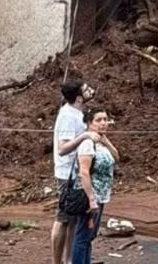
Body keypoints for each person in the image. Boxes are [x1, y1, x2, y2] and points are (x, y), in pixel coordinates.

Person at [51, 80, 98, 264]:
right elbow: (62, 148)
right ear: (79, 98)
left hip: (76, 172)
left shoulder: (76, 111)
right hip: (66, 174)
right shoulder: (67, 116)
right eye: (86, 89)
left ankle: (69, 259)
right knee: (62, 218)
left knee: (73, 218)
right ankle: (57, 261)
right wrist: (84, 136)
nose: (90, 90)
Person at [70, 107, 118, 264]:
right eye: (98, 120)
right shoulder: (87, 144)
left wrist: (107, 142)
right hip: (88, 196)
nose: (103, 123)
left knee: (90, 236)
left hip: (101, 195)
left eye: (105, 119)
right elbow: (83, 172)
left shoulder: (101, 142)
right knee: (83, 236)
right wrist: (91, 199)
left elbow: (116, 157)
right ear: (89, 123)